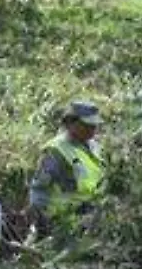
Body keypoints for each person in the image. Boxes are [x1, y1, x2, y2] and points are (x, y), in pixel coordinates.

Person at [28, 100, 107, 234]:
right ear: (70, 123)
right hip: (64, 223)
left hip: (92, 218)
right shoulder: (55, 151)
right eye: (87, 125)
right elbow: (39, 191)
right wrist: (42, 224)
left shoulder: (94, 147)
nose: (92, 129)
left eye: (94, 125)